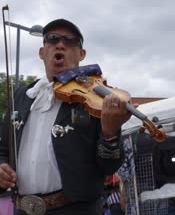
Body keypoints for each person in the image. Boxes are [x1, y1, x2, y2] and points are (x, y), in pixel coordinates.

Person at [0, 19, 130, 214]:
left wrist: (110, 135)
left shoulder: (95, 98)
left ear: (81, 54)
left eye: (71, 41)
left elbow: (109, 166)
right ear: (42, 52)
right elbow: (3, 148)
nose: (60, 45)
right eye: (52, 39)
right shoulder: (22, 96)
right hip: (23, 209)